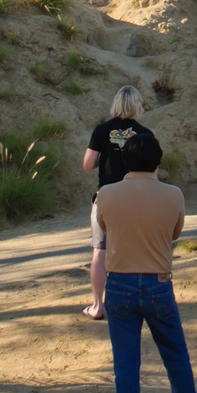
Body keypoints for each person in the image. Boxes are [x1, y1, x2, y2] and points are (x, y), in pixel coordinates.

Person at [97, 130, 197, 393]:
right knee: (176, 358)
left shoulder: (106, 194)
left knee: (126, 366)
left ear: (125, 161)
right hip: (158, 284)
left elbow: (104, 228)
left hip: (118, 284)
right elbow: (175, 233)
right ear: (157, 163)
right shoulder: (173, 195)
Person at [82, 86, 153, 320]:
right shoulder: (144, 134)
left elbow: (88, 164)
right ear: (137, 105)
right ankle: (135, 302)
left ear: (116, 103)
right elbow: (153, 171)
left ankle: (97, 306)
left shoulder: (102, 130)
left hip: (107, 196)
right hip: (136, 197)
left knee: (100, 252)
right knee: (136, 250)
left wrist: (105, 156)